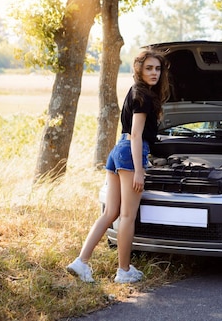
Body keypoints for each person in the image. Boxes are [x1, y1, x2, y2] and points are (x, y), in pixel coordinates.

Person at [67, 50, 170, 283]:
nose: (154, 73)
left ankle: (81, 262)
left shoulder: (136, 91)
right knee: (126, 216)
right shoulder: (143, 95)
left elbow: (129, 135)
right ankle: (123, 271)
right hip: (131, 152)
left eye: (157, 69)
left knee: (110, 213)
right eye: (149, 68)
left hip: (118, 151)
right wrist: (140, 170)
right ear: (139, 70)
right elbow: (136, 135)